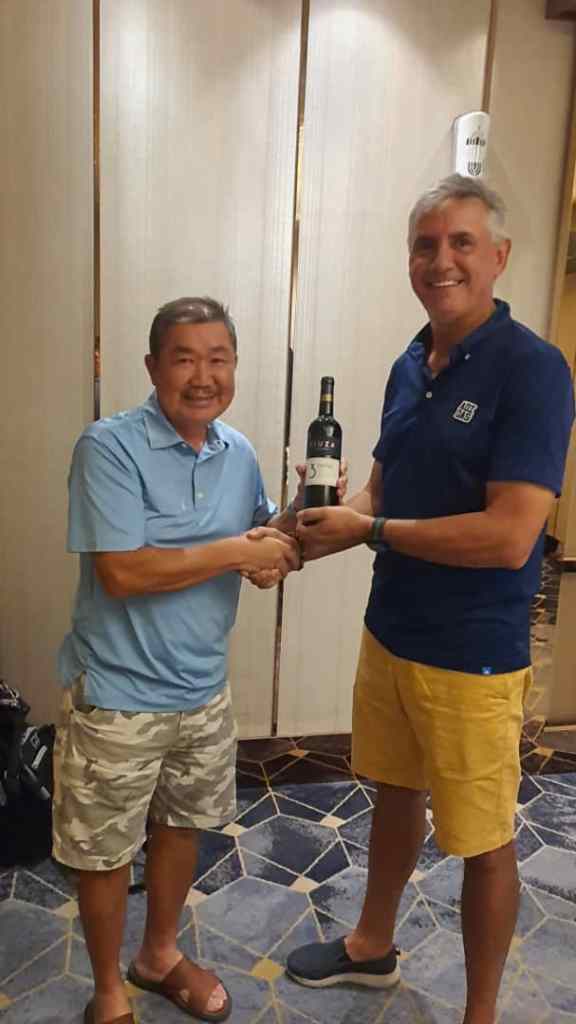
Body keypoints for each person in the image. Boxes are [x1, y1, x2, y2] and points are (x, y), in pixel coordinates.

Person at [285, 175, 575, 1024]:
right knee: (395, 790)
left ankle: (479, 1013)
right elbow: (377, 491)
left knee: (483, 839)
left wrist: (370, 531)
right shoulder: (411, 363)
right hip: (392, 631)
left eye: (460, 243)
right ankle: (372, 947)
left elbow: (511, 535)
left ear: (499, 257)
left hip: (472, 653)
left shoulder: (534, 370)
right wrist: (301, 533)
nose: (440, 261)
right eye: (424, 245)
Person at [53, 297, 312, 1024]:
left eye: (218, 358)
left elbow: (259, 539)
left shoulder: (238, 451)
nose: (203, 376)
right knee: (105, 852)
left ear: (235, 366)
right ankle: (108, 990)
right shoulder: (108, 447)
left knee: (179, 828)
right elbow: (123, 572)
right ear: (152, 367)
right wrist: (237, 552)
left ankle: (159, 955)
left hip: (203, 691)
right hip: (118, 695)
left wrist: (297, 517)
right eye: (184, 358)